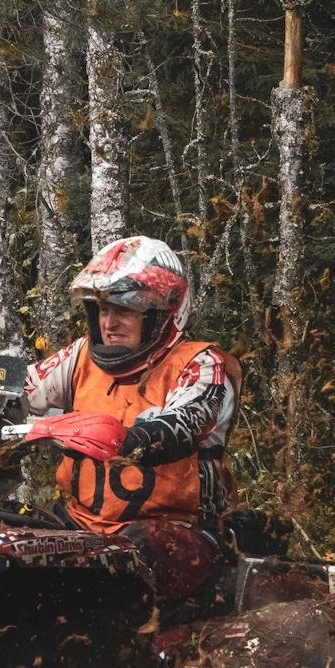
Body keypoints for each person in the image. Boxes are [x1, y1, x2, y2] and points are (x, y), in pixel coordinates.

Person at [24, 235, 240, 603]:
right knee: (9, 538)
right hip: (81, 524)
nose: (110, 322)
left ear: (162, 312)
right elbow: (23, 389)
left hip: (176, 533)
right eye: (103, 309)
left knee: (129, 556)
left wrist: (126, 439)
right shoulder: (82, 357)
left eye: (125, 309)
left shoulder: (202, 364)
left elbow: (182, 426)